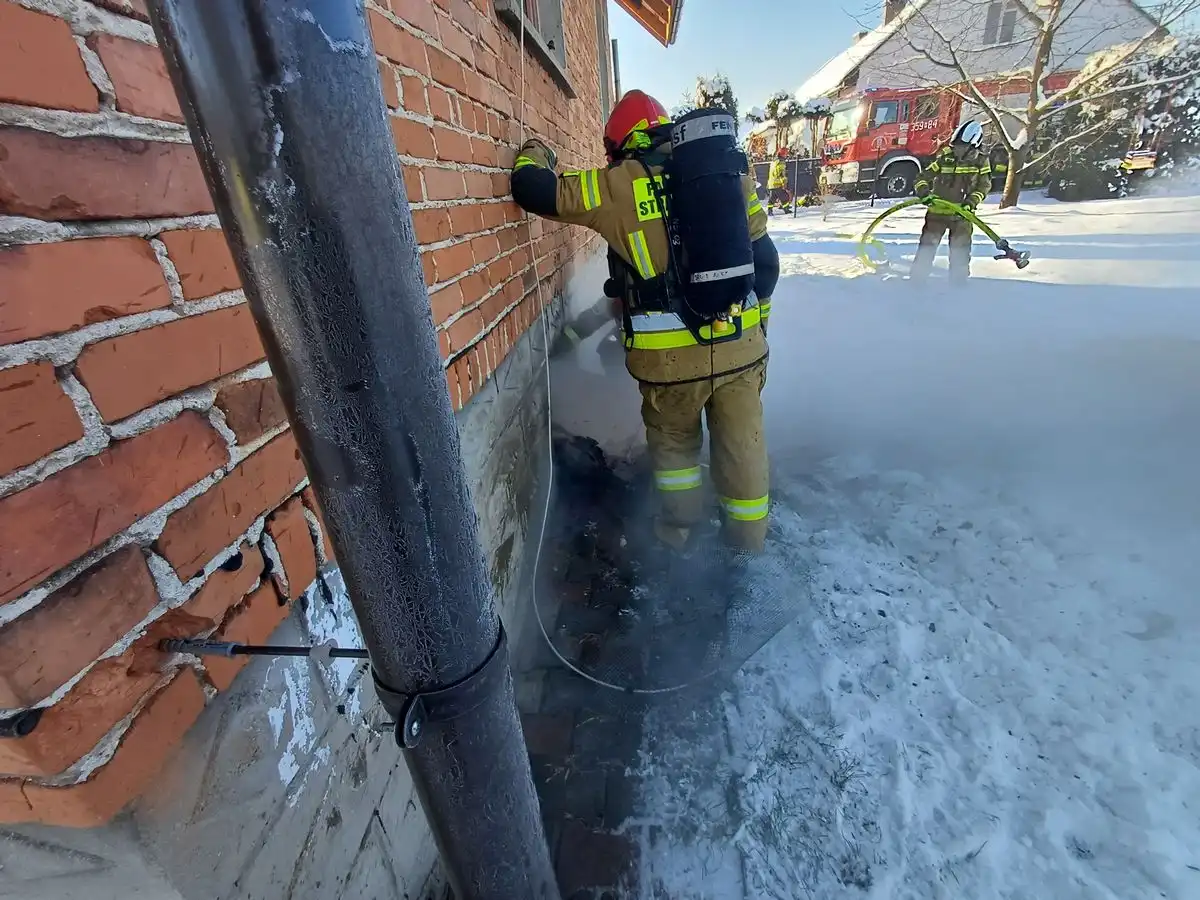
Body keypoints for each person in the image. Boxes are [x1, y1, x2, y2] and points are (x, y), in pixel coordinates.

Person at [509, 90, 781, 554]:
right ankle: (749, 550)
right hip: (741, 347)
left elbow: (534, 189)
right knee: (744, 450)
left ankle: (680, 538)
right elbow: (767, 264)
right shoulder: (730, 173)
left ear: (619, 144)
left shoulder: (619, 184)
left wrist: (537, 151)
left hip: (669, 366)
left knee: (676, 453)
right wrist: (756, 336)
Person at [910, 121, 992, 283]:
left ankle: (957, 288)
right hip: (937, 214)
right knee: (926, 250)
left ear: (972, 145)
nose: (956, 149)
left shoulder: (981, 162)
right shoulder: (945, 158)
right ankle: (915, 285)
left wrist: (971, 202)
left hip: (962, 216)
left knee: (960, 254)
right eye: (955, 146)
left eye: (961, 146)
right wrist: (924, 193)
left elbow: (984, 187)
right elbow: (922, 177)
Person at [767, 147, 791, 214]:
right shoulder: (781, 163)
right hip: (777, 184)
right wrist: (784, 183)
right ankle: (786, 210)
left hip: (772, 184)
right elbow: (781, 174)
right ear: (783, 154)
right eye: (786, 154)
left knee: (772, 199)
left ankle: (769, 211)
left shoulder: (773, 161)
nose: (787, 155)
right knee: (785, 197)